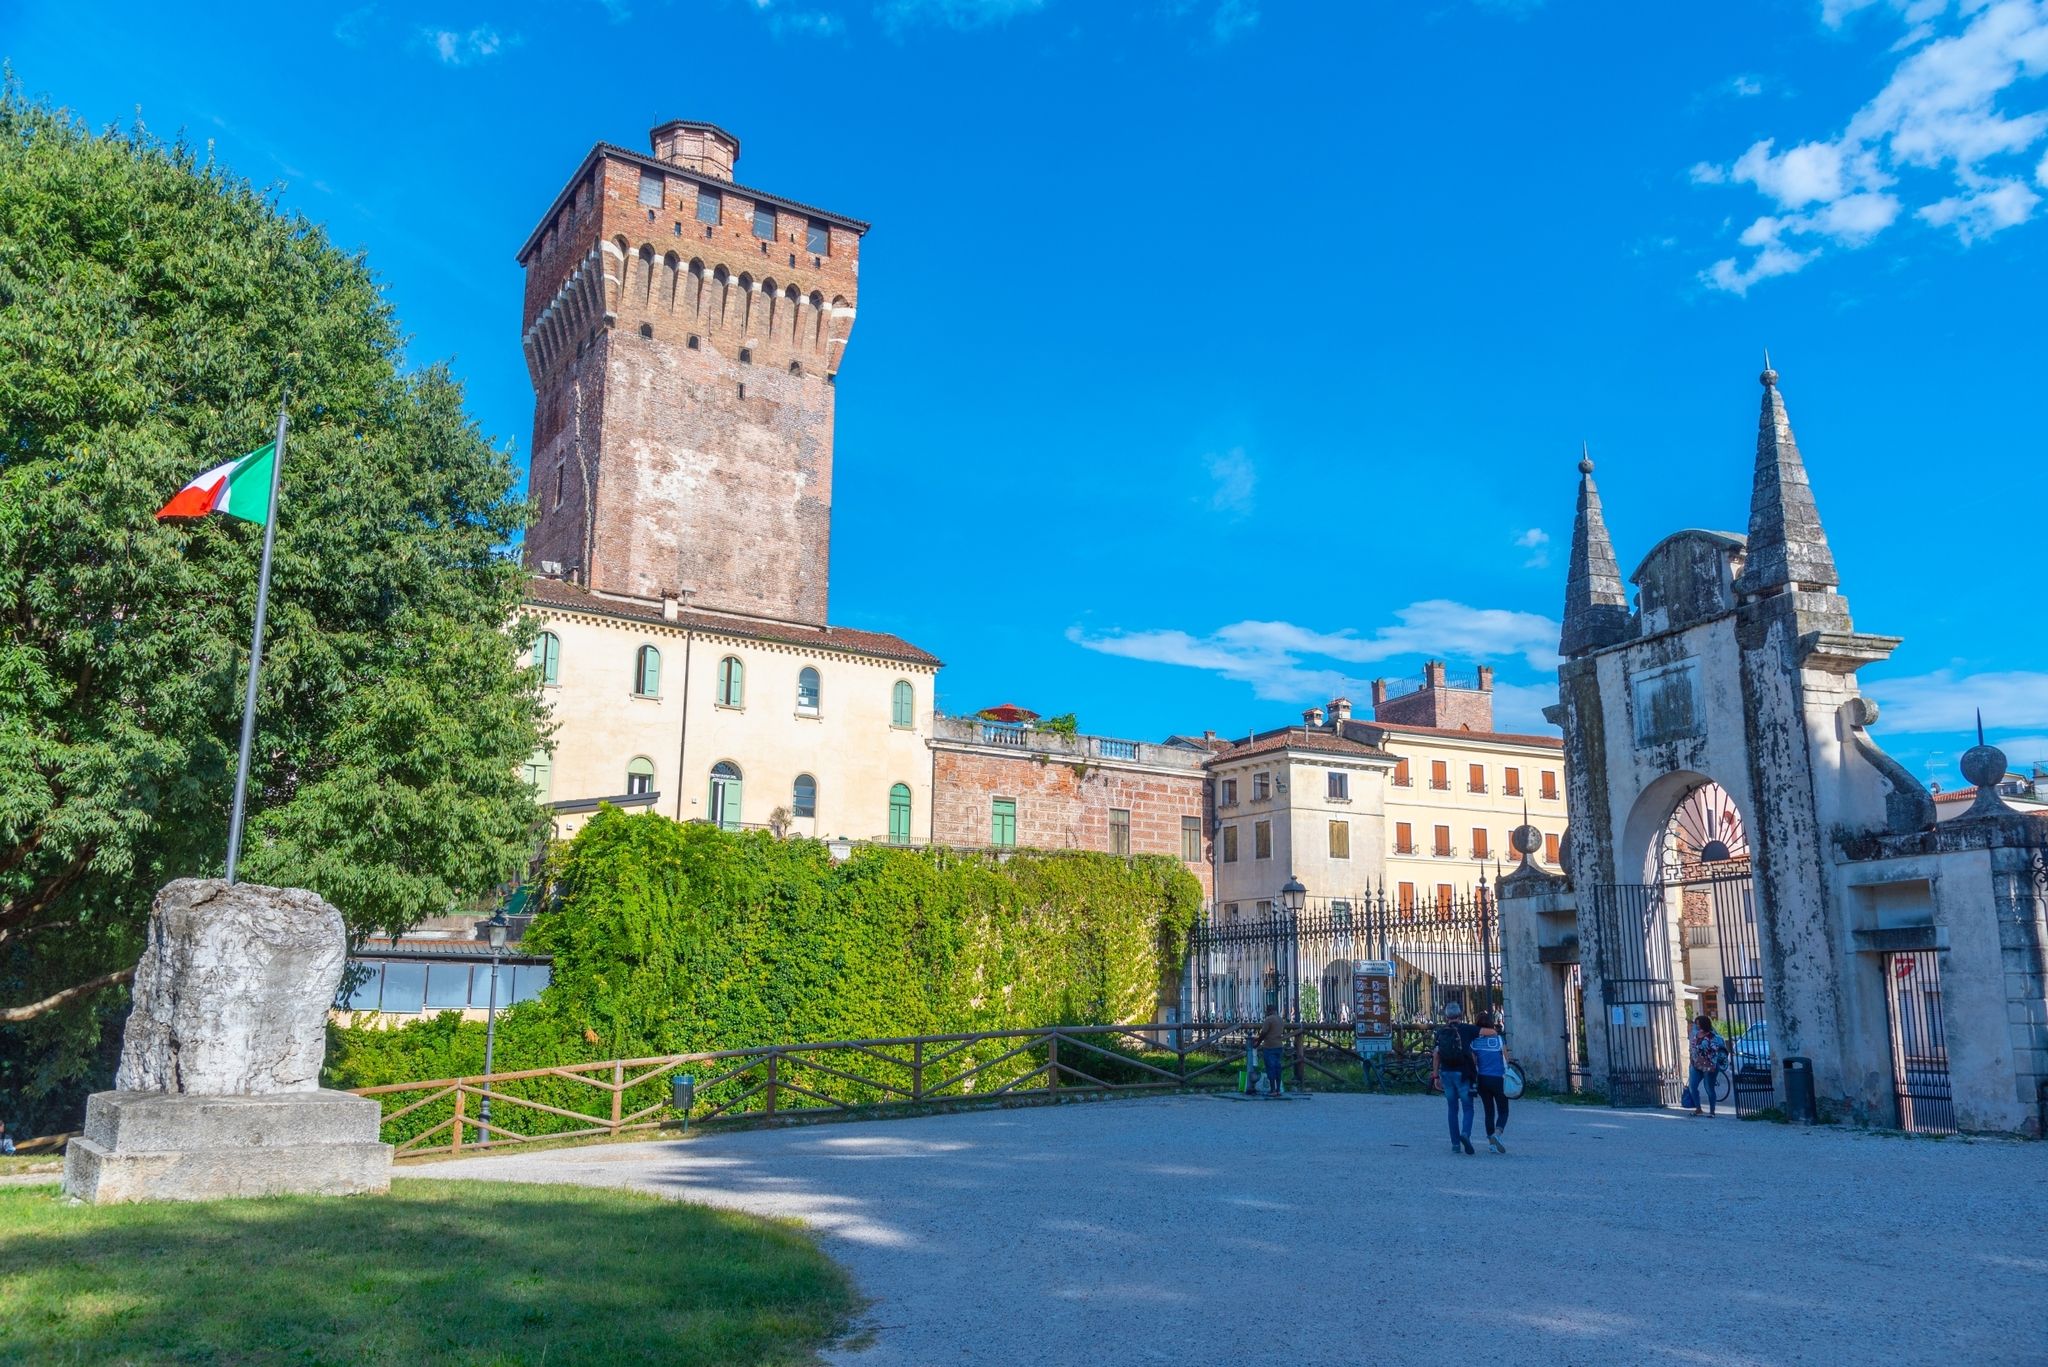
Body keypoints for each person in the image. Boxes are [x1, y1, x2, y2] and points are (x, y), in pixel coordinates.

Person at [1431, 1000, 1480, 1154]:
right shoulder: (1467, 1029)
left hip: (1446, 1073)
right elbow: (1488, 1032)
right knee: (1468, 1107)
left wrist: (1435, 1075)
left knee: (1452, 1109)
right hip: (1463, 1073)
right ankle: (1465, 1133)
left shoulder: (1441, 1032)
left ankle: (1455, 1144)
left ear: (1446, 1016)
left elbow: (1436, 1055)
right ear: (1460, 1014)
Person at [1471, 1013, 1512, 1152]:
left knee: (1489, 1111)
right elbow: (1507, 1059)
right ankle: (1497, 1134)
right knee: (1503, 1110)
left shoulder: (1475, 1043)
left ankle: (1491, 1143)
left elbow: (1473, 1062)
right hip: (1499, 1078)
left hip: (1483, 1078)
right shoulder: (1499, 1040)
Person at [1688, 1014, 1722, 1117]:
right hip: (1696, 1065)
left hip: (1708, 1066)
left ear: (1703, 1024)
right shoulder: (1696, 1034)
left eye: (1698, 1023)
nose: (1696, 1025)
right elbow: (1692, 1048)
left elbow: (1715, 1050)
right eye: (1696, 1023)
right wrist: (1692, 1059)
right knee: (1692, 1087)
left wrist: (1712, 1065)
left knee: (1709, 1089)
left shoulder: (1712, 1036)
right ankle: (1698, 1109)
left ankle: (1712, 1112)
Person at [1256, 1005, 1287, 1097]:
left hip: (1269, 1046)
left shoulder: (1269, 1020)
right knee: (1278, 1068)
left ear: (1269, 1011)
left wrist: (1258, 1043)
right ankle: (1278, 1089)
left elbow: (1264, 1032)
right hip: (1279, 1046)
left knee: (1270, 1068)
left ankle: (1272, 1090)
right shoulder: (1280, 1020)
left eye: (1266, 1011)